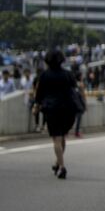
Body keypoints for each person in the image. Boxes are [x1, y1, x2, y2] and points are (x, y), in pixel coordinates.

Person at [34, 48, 79, 179]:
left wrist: (36, 107)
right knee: (62, 137)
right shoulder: (68, 74)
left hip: (53, 109)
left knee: (57, 139)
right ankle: (57, 162)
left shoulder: (44, 75)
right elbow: (74, 89)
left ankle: (62, 167)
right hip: (69, 109)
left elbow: (39, 94)